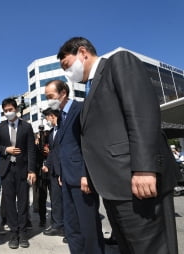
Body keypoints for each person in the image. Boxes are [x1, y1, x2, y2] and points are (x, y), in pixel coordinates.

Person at [57, 36, 179, 254]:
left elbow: (141, 114)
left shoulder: (119, 63)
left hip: (137, 182)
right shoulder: (89, 92)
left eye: (67, 65)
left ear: (83, 52)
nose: (67, 73)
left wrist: (144, 168)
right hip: (114, 189)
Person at [44, 79, 104, 253]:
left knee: (88, 225)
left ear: (63, 93)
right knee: (71, 225)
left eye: (51, 96)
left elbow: (89, 145)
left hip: (82, 178)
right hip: (66, 179)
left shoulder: (80, 109)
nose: (49, 100)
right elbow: (64, 147)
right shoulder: (61, 116)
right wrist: (61, 172)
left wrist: (87, 174)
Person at [0, 97, 36, 249]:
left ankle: (23, 233)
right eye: (5, 111)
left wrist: (32, 170)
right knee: (9, 203)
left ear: (16, 109)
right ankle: (13, 233)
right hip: (7, 169)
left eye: (10, 110)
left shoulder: (26, 126)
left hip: (23, 169)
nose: (8, 113)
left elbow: (31, 149)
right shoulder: (1, 127)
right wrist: (6, 150)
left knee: (23, 202)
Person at [41, 108, 66, 240]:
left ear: (52, 116)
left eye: (47, 118)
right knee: (55, 200)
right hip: (53, 171)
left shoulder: (64, 129)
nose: (46, 120)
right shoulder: (51, 133)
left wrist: (62, 171)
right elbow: (51, 152)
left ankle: (67, 228)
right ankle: (57, 225)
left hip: (64, 171)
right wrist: (47, 165)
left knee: (67, 201)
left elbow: (65, 152)